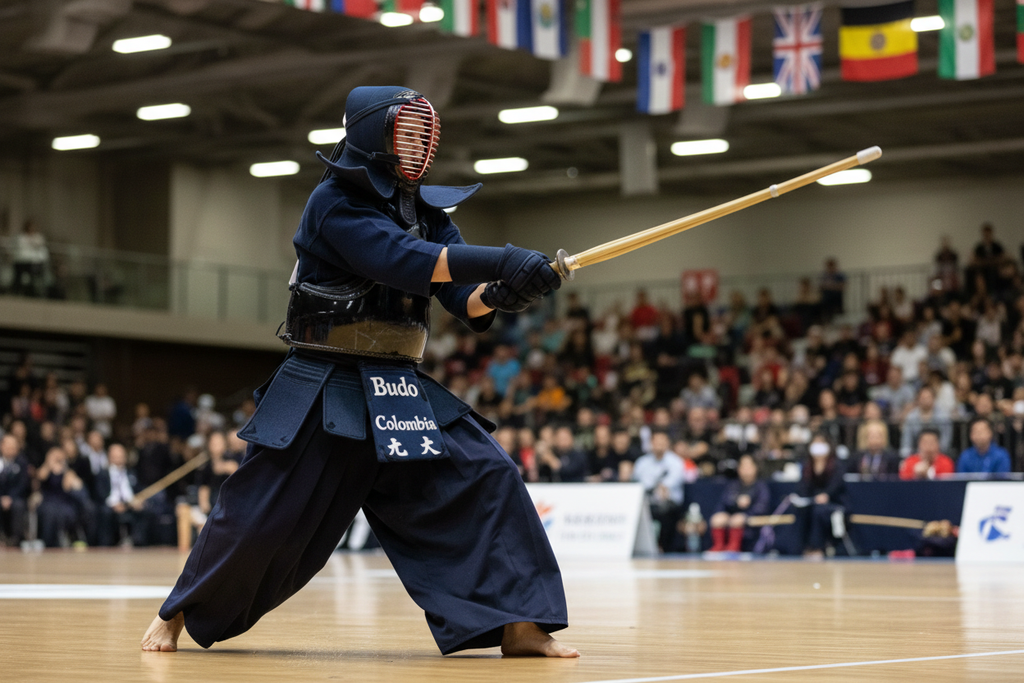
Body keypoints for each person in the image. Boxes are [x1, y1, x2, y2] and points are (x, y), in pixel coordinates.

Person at [142, 86, 575, 658]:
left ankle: (520, 624)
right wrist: (504, 257)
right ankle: (174, 614)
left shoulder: (426, 209)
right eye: (408, 133)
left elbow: (462, 298)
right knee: (263, 514)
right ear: (375, 134)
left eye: (426, 135)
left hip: (399, 382)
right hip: (327, 379)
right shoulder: (332, 203)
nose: (420, 146)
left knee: (485, 475)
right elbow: (402, 260)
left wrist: (507, 289)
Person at [632, 430, 686, 553]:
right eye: (656, 442)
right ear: (651, 443)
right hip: (646, 502)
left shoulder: (676, 462)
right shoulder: (642, 462)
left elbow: (671, 483)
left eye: (663, 442)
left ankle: (663, 547)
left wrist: (661, 488)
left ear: (668, 444)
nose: (659, 445)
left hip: (669, 503)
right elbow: (637, 483)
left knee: (665, 511)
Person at [795, 434, 847, 558]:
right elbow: (803, 488)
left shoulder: (836, 465)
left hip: (834, 503)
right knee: (801, 511)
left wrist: (826, 495)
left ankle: (817, 547)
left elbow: (836, 486)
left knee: (819, 512)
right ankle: (801, 547)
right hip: (813, 502)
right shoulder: (807, 466)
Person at [707, 454, 770, 552]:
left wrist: (747, 513)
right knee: (717, 518)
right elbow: (725, 502)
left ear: (755, 468)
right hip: (731, 515)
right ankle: (718, 546)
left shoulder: (760, 487)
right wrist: (736, 502)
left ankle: (733, 547)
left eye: (749, 466)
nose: (746, 470)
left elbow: (762, 507)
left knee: (737, 519)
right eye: (743, 466)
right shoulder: (733, 485)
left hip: (749, 517)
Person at [0, 434, 30, 546]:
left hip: (16, 497)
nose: (10, 448)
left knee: (18, 506)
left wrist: (10, 497)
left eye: (13, 446)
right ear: (1, 446)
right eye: (7, 445)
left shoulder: (22, 462)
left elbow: (23, 484)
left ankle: (15, 540)